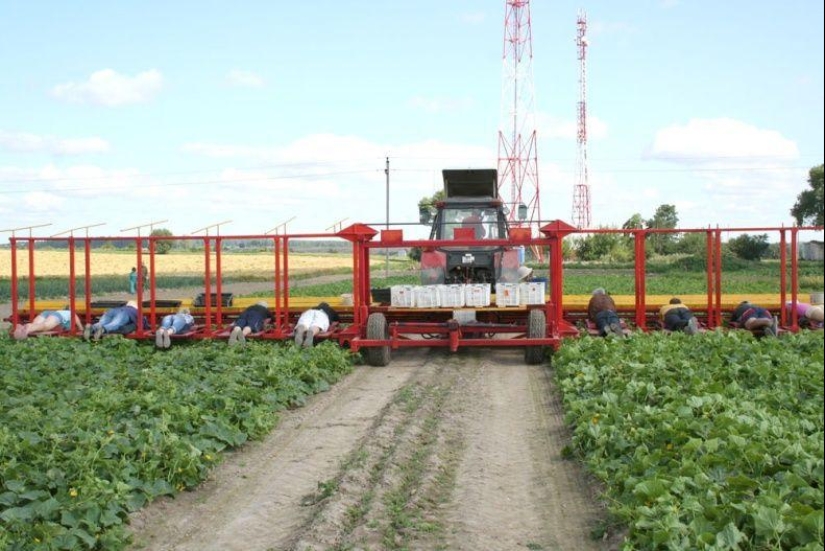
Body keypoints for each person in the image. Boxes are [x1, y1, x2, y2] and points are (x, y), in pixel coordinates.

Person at [13, 309, 84, 340]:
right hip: (58, 316)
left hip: (48, 313)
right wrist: (81, 329)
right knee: (45, 326)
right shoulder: (70, 313)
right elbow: (74, 315)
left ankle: (24, 328)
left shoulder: (67, 317)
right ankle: (27, 329)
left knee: (37, 326)